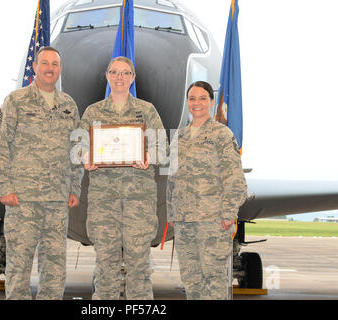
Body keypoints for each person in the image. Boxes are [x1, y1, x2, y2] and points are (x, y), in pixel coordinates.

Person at [0, 46, 83, 300]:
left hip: (56, 201)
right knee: (18, 268)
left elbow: (78, 151)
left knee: (54, 268)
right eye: (45, 63)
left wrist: (75, 187)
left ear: (60, 69)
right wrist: (4, 189)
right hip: (23, 200)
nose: (50, 68)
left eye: (55, 64)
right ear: (35, 67)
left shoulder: (69, 106)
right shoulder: (16, 101)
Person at [80, 56, 166, 300]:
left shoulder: (147, 111)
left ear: (133, 78)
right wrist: (85, 155)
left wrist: (149, 155)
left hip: (138, 204)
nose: (119, 77)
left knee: (139, 269)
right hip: (103, 205)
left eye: (125, 73)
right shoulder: (93, 112)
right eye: (114, 72)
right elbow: (76, 145)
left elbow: (164, 147)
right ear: (107, 76)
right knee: (105, 269)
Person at [166, 81, 247, 300]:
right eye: (192, 98)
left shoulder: (222, 135)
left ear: (211, 102)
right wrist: (172, 214)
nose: (197, 103)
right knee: (191, 280)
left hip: (212, 221)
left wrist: (229, 213)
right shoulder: (179, 137)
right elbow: (171, 180)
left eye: (202, 98)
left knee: (215, 281)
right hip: (184, 222)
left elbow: (235, 179)